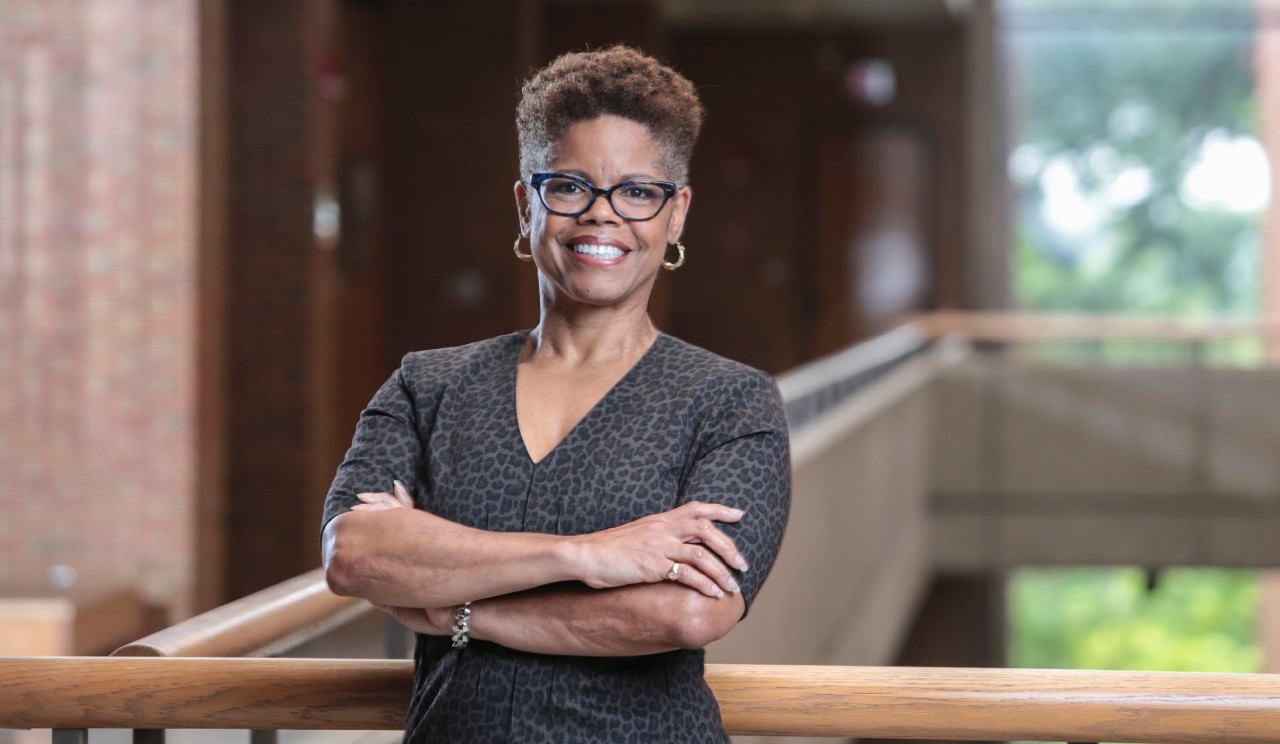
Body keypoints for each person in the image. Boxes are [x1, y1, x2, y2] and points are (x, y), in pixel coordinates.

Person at [321, 45, 791, 743]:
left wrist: (459, 611)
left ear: (677, 214)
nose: (603, 216)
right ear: (526, 203)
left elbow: (688, 614)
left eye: (637, 192)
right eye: (569, 186)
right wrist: (589, 556)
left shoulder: (730, 403)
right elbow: (355, 554)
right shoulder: (430, 386)